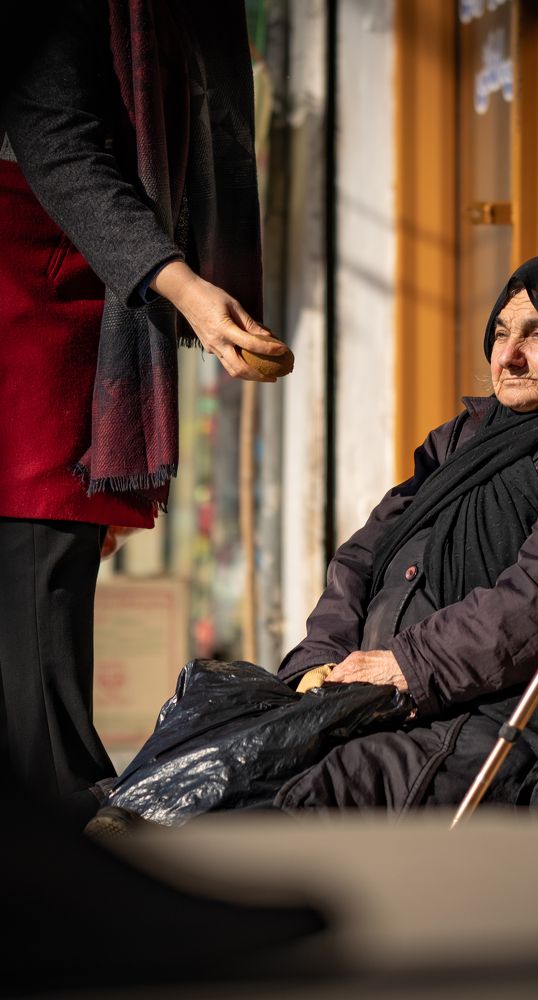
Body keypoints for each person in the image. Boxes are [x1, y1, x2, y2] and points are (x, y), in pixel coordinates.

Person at [88, 252, 538, 832]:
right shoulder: (466, 439)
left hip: (521, 722)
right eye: (500, 333)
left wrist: (404, 666)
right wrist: (319, 661)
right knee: (207, 735)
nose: (510, 356)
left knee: (311, 792)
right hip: (396, 699)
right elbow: (362, 557)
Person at [0, 0, 290, 828]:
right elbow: (56, 138)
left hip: (91, 272)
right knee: (39, 555)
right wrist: (185, 287)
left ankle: (62, 812)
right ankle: (66, 816)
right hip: (34, 265)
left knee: (50, 554)